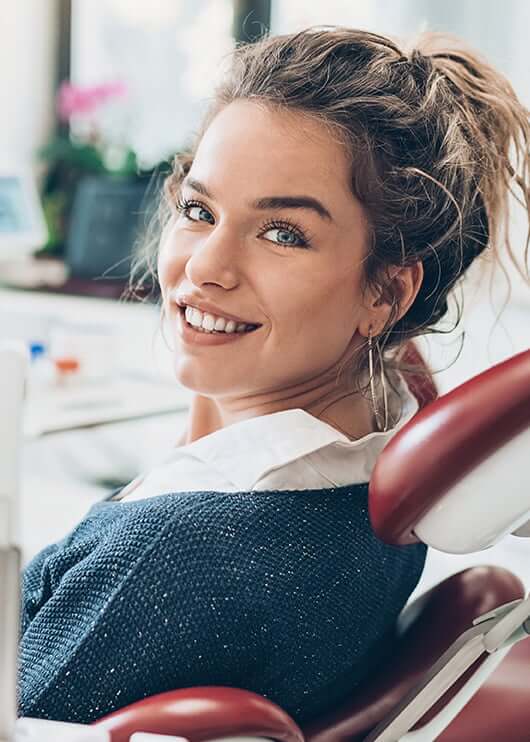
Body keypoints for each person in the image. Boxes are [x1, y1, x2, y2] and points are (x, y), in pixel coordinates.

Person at [18, 26, 529, 727]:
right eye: (199, 211)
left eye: (282, 232)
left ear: (385, 294)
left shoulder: (170, 560)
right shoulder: (374, 463)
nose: (205, 268)